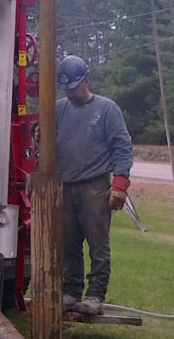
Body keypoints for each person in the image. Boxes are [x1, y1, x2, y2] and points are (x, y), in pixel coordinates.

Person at [54, 55, 133, 315]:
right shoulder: (58, 108)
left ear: (86, 81)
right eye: (66, 88)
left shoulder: (107, 109)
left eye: (74, 87)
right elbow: (44, 138)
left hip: (95, 185)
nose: (71, 92)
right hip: (65, 184)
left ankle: (96, 295)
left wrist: (120, 183)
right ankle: (71, 291)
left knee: (98, 243)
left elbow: (122, 146)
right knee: (69, 243)